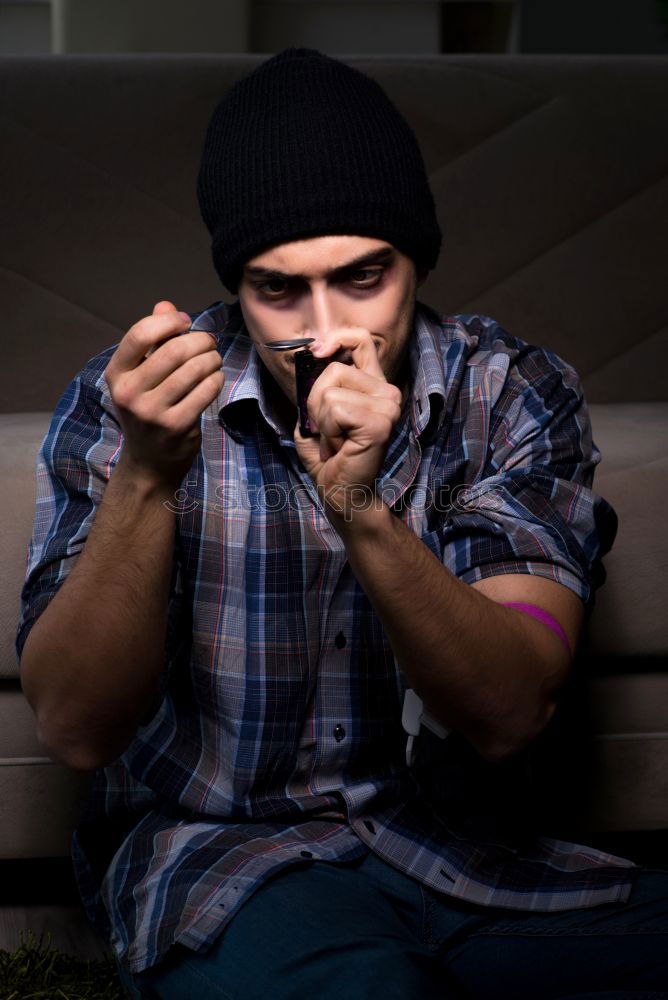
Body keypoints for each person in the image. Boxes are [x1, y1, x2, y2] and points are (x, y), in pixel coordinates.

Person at [16, 48, 667, 1000]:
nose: (322, 329)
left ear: (418, 261)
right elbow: (75, 728)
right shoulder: (134, 398)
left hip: (470, 857)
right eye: (279, 288)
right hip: (225, 862)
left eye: (364, 276)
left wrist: (360, 507)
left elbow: (507, 712)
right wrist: (149, 474)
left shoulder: (512, 393)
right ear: (235, 288)